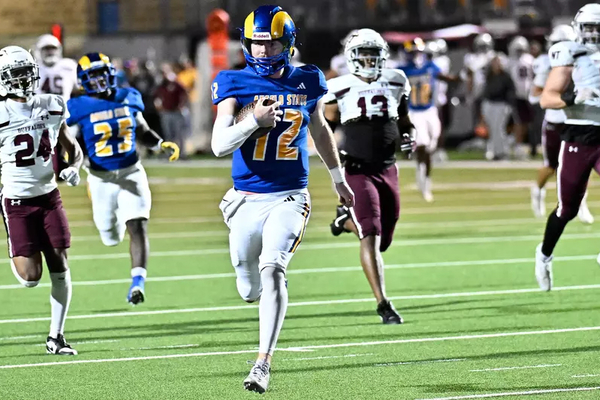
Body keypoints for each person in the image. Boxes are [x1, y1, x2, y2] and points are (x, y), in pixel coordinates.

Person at [210, 5, 354, 393]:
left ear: (287, 44)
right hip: (245, 198)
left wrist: (338, 178)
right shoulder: (232, 81)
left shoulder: (308, 78)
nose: (262, 51)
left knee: (273, 267)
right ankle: (253, 290)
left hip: (290, 196)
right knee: (248, 288)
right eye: (256, 44)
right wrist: (252, 122)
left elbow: (320, 129)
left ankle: (262, 363)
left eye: (271, 43)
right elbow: (218, 145)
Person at [66, 53, 180, 305]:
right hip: (101, 178)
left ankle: (138, 282)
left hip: (131, 172)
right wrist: (71, 161)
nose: (99, 81)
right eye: (93, 77)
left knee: (138, 225)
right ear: (83, 80)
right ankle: (113, 219)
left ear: (110, 74)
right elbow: (71, 142)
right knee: (110, 237)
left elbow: (141, 129)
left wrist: (160, 144)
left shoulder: (128, 96)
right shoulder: (77, 106)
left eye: (102, 75)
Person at [324, 29, 414, 324]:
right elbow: (326, 126)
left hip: (388, 168)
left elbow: (405, 121)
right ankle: (384, 305)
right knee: (372, 236)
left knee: (384, 240)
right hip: (356, 169)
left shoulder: (396, 79)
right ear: (352, 57)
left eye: (373, 54)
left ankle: (345, 221)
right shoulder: (338, 86)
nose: (369, 60)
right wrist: (333, 161)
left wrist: (409, 137)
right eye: (363, 54)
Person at [0, 45, 83, 354]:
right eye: (15, 75)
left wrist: (74, 167)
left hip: (49, 197)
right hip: (16, 202)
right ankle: (13, 240)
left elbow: (72, 147)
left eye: (26, 73)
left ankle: (56, 336)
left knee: (60, 264)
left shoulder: (52, 104)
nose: (23, 80)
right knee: (30, 278)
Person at [535, 3, 600, 291]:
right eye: (589, 27)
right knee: (567, 209)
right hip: (578, 136)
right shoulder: (570, 54)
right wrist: (575, 97)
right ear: (578, 28)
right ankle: (544, 255)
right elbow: (547, 98)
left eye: (598, 27)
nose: (594, 33)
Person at [529, 24, 594, 223]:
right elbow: (534, 96)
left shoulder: (583, 62)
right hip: (555, 121)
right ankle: (538, 191)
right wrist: (565, 98)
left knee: (581, 166)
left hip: (576, 121)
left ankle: (581, 203)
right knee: (551, 167)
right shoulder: (546, 64)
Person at [400, 38, 459, 202]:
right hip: (414, 111)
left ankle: (422, 169)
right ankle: (424, 181)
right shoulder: (402, 70)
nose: (416, 56)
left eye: (417, 52)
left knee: (433, 142)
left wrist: (459, 78)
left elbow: (444, 77)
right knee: (423, 146)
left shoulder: (430, 66)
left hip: (430, 110)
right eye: (412, 53)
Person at [33, 34, 79, 179]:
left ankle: (66, 167)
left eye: (52, 48)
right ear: (39, 50)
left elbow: (79, 88)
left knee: (66, 144)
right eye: (46, 49)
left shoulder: (69, 66)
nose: (50, 52)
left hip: (64, 113)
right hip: (39, 115)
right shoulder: (33, 68)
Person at [480, 53, 515, 160]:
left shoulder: (506, 76)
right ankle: (493, 151)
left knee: (499, 128)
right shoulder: (489, 75)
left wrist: (509, 105)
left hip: (501, 104)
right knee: (491, 129)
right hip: (489, 103)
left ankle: (503, 151)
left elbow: (511, 91)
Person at [507, 36, 535, 159]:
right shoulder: (529, 59)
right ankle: (517, 144)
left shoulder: (513, 61)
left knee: (524, 122)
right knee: (519, 121)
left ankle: (517, 143)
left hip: (524, 95)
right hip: (519, 95)